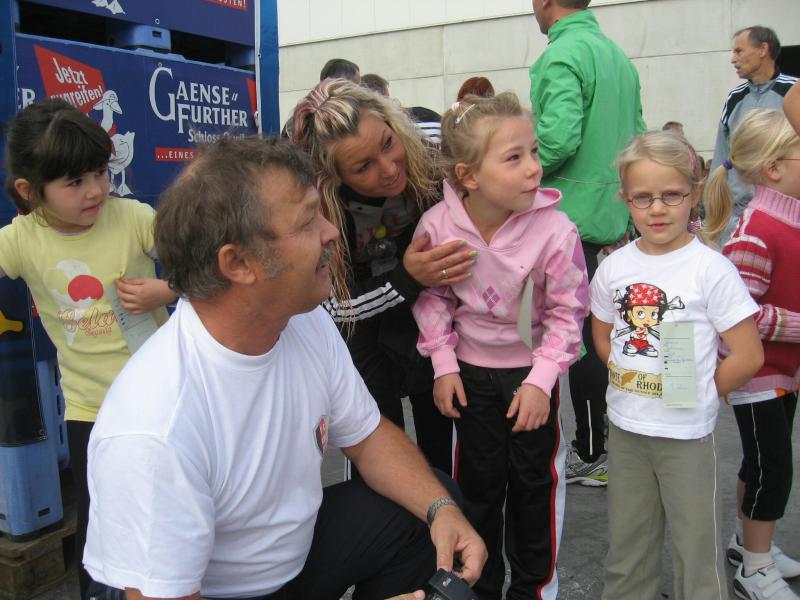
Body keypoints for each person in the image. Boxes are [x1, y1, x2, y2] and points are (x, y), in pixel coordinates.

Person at [82, 136, 487, 600]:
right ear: (239, 263)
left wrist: (440, 509)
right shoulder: (156, 425)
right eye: (308, 220)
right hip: (215, 593)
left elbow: (369, 436)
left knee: (431, 504)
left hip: (292, 560)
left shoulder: (303, 320)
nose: (331, 232)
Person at [412, 92, 589, 600]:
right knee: (477, 491)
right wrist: (443, 364)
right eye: (514, 157)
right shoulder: (438, 226)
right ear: (468, 176)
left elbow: (568, 311)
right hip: (469, 380)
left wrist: (541, 381)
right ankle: (477, 588)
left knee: (535, 489)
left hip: (531, 379)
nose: (533, 168)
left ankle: (535, 590)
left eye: (534, 152)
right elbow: (433, 298)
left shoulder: (555, 231)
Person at [0, 98, 176, 598]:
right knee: (99, 522)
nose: (97, 189)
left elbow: (203, 265)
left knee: (169, 507)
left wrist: (167, 290)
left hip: (163, 397)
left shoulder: (133, 218)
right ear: (30, 191)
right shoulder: (22, 239)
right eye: (75, 182)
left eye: (100, 172)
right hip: (90, 410)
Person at [591, 130, 764, 600]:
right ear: (625, 198)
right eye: (643, 197)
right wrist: (634, 380)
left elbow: (748, 355)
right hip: (626, 430)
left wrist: (702, 389)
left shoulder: (711, 269)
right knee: (628, 545)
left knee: (696, 548)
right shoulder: (613, 268)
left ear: (694, 192)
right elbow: (603, 336)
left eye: (671, 195)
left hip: (686, 437)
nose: (658, 208)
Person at [291, 79, 473, 476]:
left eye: (388, 144)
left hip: (430, 322)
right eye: (363, 167)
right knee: (377, 444)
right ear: (333, 176)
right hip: (364, 332)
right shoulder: (319, 208)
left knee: (439, 438)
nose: (390, 169)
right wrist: (406, 278)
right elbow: (334, 307)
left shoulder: (430, 165)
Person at [529, 0, 646, 486]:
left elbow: (557, 139)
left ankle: (592, 452)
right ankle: (604, 448)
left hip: (569, 224)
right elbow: (638, 138)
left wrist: (507, 166)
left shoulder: (562, 54)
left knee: (576, 344)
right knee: (605, 337)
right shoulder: (617, 56)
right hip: (615, 223)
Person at [704, 109, 800, 600]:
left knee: (762, 464)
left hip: (781, 372)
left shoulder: (785, 222)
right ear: (775, 168)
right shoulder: (756, 230)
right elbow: (738, 313)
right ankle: (755, 568)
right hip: (756, 375)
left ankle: (748, 545)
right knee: (772, 469)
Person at [709, 26, 797, 238]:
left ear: (763, 49)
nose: (733, 59)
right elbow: (721, 155)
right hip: (736, 219)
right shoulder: (734, 98)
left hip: (787, 216)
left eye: (739, 51)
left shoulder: (794, 94)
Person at [280, 58, 362, 139]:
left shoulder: (297, 121)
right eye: (357, 86)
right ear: (342, 85)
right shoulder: (349, 124)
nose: (360, 92)